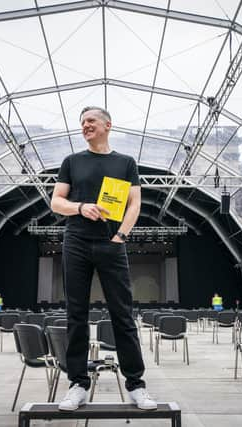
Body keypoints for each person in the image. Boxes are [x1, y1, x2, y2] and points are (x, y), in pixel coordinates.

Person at [51, 106, 155, 411]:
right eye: (82, 122)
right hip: (77, 241)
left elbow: (135, 204)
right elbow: (56, 201)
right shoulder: (72, 161)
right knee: (76, 315)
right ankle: (77, 384)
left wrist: (120, 236)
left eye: (91, 121)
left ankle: (136, 385)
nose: (85, 126)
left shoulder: (125, 163)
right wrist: (81, 207)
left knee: (123, 314)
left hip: (112, 244)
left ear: (108, 125)